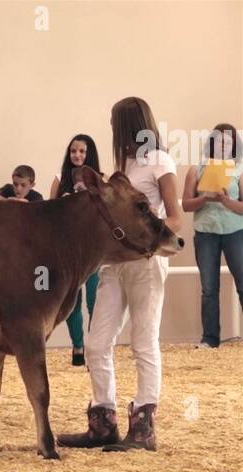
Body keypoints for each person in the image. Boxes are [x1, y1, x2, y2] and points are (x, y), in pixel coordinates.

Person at [59, 97, 184, 453]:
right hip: (115, 264)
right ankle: (103, 421)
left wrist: (148, 246)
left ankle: (144, 427)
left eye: (116, 122)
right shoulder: (123, 165)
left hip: (146, 262)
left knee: (144, 342)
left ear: (128, 123)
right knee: (97, 342)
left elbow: (174, 218)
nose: (112, 129)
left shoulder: (159, 161)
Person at [181, 123, 243, 348]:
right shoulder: (196, 169)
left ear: (235, 145)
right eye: (220, 140)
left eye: (229, 141)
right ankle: (210, 339)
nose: (224, 144)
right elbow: (187, 205)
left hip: (236, 232)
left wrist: (226, 201)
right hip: (206, 233)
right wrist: (205, 198)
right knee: (209, 288)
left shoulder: (240, 169)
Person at [50, 134, 104, 366]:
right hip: (68, 252)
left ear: (89, 153)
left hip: (92, 251)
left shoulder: (102, 180)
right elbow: (49, 216)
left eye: (82, 151)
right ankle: (78, 345)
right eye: (74, 151)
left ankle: (95, 346)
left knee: (95, 300)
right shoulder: (59, 180)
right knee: (71, 301)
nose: (78, 155)